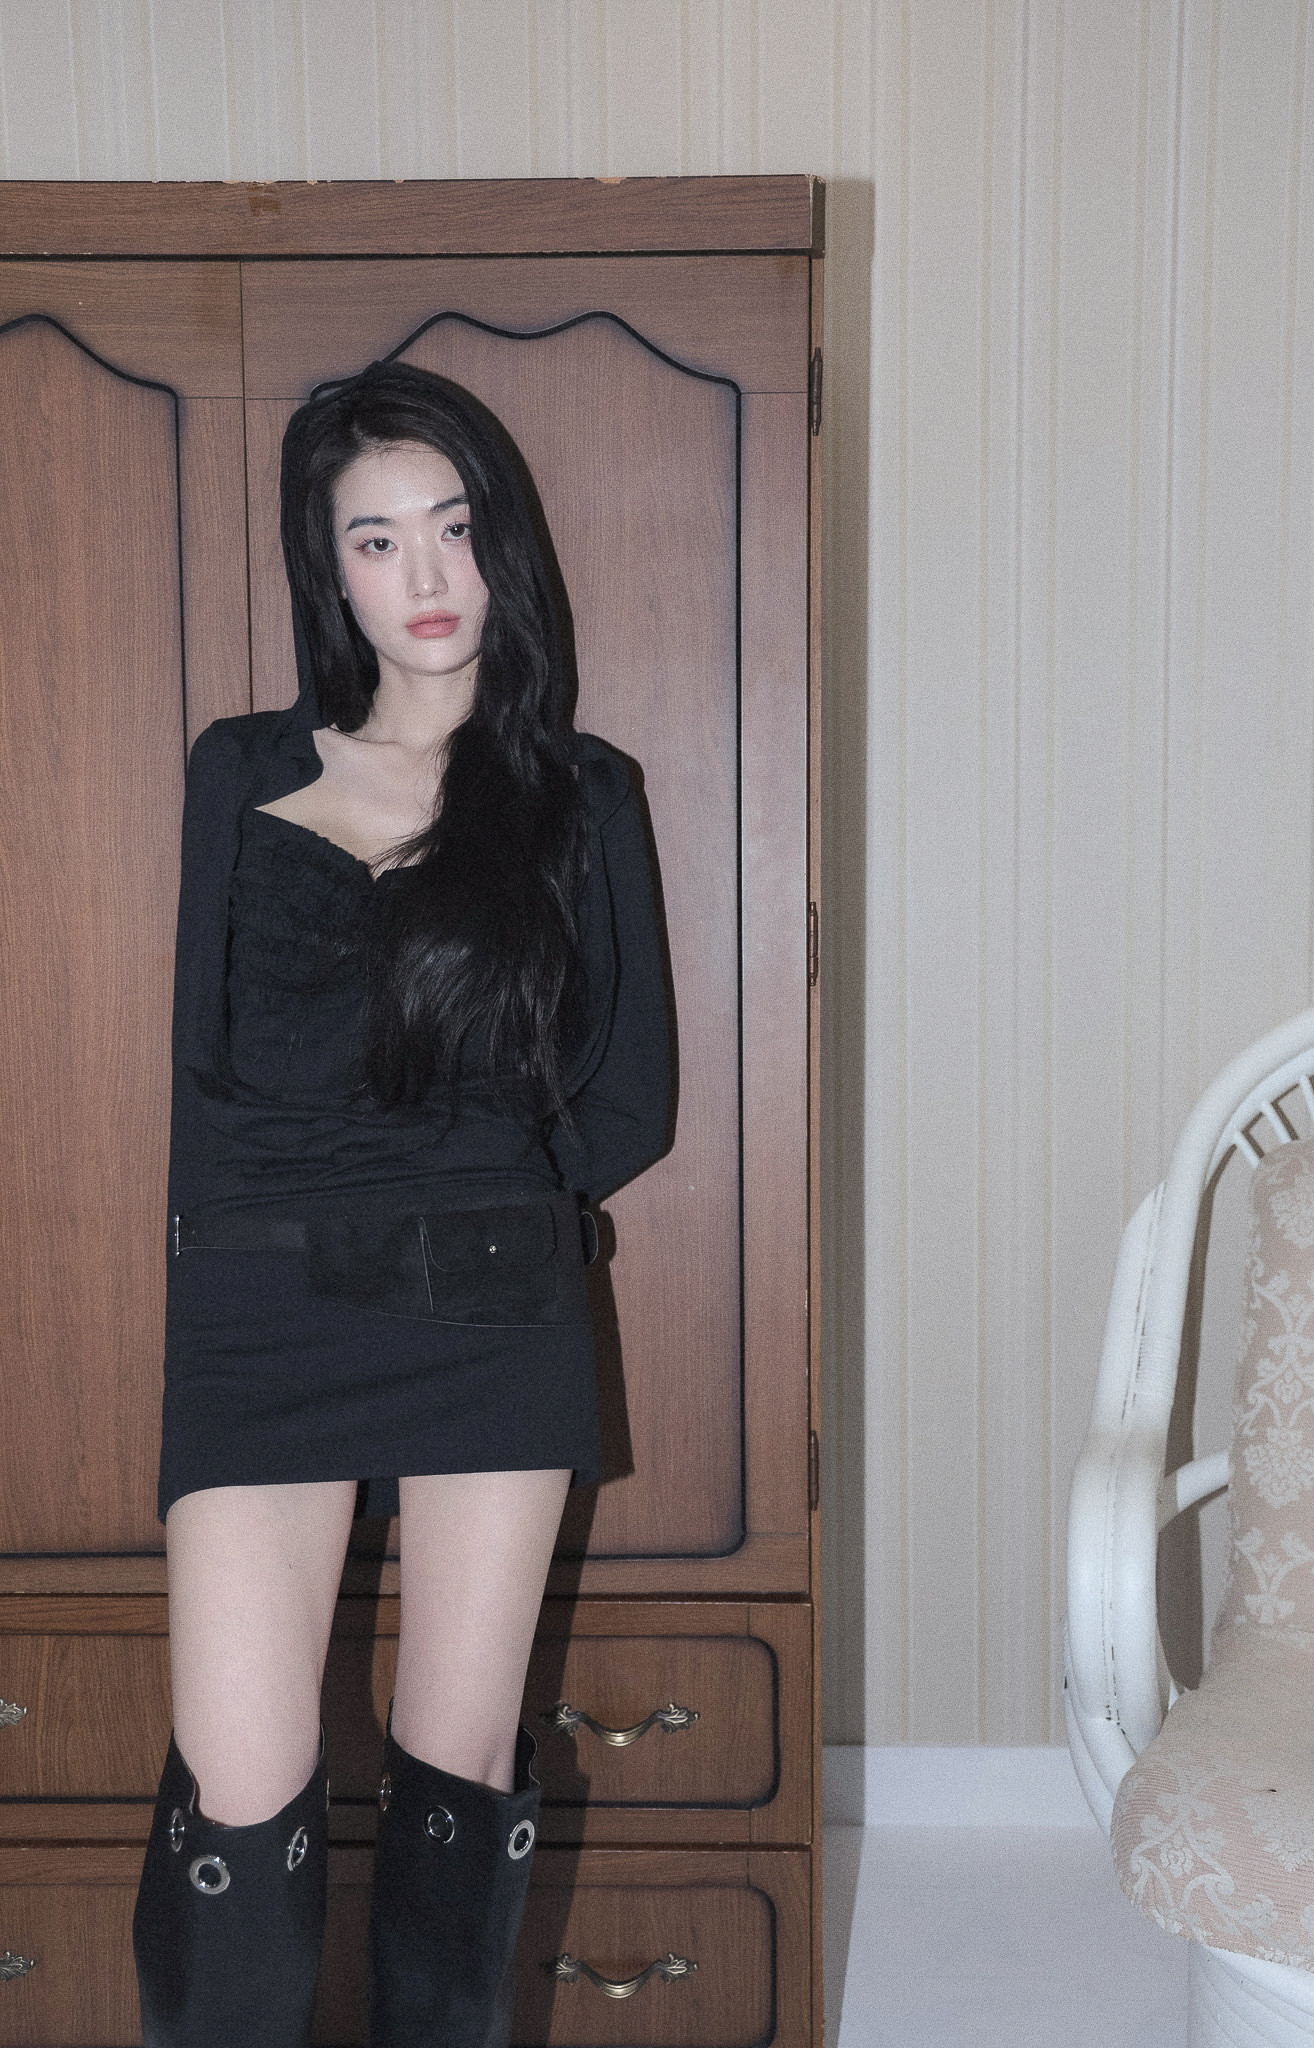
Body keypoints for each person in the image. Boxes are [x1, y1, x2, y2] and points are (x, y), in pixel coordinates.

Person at [131, 360, 672, 2047]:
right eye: (376, 541)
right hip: (258, 1314)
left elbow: (630, 1098)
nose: (424, 576)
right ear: (331, 571)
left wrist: (473, 1193)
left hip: (486, 1312)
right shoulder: (239, 770)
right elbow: (200, 1073)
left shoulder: (581, 794)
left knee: (458, 1768)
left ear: (506, 544)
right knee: (238, 1786)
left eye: (453, 527)